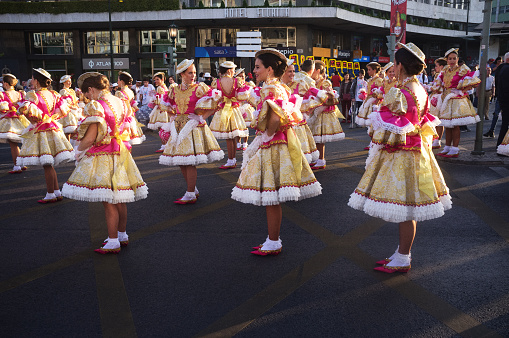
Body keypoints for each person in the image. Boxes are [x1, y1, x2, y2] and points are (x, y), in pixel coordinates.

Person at [348, 42, 451, 273]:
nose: (393, 67)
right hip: (416, 152)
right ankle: (401, 253)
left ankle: (404, 257)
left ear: (401, 65)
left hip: (404, 153)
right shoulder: (419, 88)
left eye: (395, 62)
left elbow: (389, 127)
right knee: (407, 208)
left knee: (406, 208)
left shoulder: (401, 91)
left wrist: (377, 134)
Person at [231, 48, 322, 256]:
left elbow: (274, 117)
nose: (254, 71)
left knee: (271, 196)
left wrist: (267, 134)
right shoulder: (279, 87)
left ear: (269, 69)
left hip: (273, 144)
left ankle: (274, 241)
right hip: (279, 143)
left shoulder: (271, 89)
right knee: (272, 196)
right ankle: (272, 239)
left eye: (257, 67)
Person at [62, 72, 148, 254]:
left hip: (103, 155)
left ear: (92, 90)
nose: (87, 97)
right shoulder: (121, 102)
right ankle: (122, 235)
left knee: (108, 200)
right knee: (120, 198)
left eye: (87, 94)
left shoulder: (97, 106)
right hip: (121, 153)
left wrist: (77, 150)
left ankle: (113, 240)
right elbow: (129, 128)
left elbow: (90, 137)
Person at [159, 59, 224, 204]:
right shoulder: (173, 89)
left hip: (193, 127)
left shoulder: (200, 88)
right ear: (182, 74)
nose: (193, 76)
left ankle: (190, 193)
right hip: (178, 128)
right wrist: (173, 116)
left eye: (194, 73)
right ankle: (192, 189)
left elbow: (217, 102)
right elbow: (165, 106)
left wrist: (200, 117)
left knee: (189, 162)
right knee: (181, 161)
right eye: (190, 73)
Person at [17, 68, 74, 203]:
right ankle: (56, 191)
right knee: (50, 163)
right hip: (54, 129)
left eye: (32, 78)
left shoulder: (33, 95)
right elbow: (63, 111)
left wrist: (37, 121)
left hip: (42, 131)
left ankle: (50, 194)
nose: (31, 81)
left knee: (47, 164)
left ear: (36, 81)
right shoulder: (54, 94)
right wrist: (51, 117)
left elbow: (28, 113)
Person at [435, 48, 480, 158]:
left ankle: (455, 149)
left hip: (457, 100)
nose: (452, 60)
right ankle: (447, 148)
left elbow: (473, 81)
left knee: (455, 126)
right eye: (450, 59)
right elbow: (440, 84)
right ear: (447, 60)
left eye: (454, 58)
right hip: (446, 99)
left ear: (457, 59)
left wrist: (461, 91)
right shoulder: (445, 70)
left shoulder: (462, 69)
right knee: (448, 125)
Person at [209, 61, 249, 169]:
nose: (234, 72)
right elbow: (242, 96)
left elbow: (213, 97)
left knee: (228, 137)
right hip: (234, 109)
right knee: (232, 136)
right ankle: (232, 160)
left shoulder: (216, 82)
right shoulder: (237, 81)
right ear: (229, 70)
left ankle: (231, 160)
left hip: (223, 109)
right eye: (233, 70)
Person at [281, 59, 319, 164]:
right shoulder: (279, 86)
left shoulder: (296, 82)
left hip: (296, 119)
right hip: (285, 121)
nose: (293, 73)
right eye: (290, 71)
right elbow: (313, 100)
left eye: (293, 71)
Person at [309, 60, 345, 170]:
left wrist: (319, 104)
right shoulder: (314, 82)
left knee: (320, 137)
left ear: (317, 70)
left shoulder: (325, 83)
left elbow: (331, 98)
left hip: (323, 112)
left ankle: (321, 159)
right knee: (315, 137)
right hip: (317, 112)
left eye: (313, 70)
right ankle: (318, 159)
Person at [0, 73, 30, 173]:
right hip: (21, 120)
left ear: (6, 83)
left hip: (10, 122)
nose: (3, 84)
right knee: (19, 144)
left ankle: (17, 166)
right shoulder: (20, 94)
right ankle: (21, 164)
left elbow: (2, 109)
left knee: (13, 145)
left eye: (3, 82)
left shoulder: (2, 95)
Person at [116, 71, 145, 145]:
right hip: (131, 116)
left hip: (123, 117)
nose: (117, 82)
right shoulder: (130, 91)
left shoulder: (119, 93)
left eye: (118, 80)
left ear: (122, 81)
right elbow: (134, 106)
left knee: (122, 141)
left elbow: (118, 107)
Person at [356, 62, 383, 127]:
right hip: (368, 102)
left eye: (369, 69)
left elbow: (381, 92)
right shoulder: (370, 80)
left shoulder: (379, 80)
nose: (368, 71)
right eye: (368, 69)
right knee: (369, 126)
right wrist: (364, 93)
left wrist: (376, 103)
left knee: (375, 124)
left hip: (375, 104)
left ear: (374, 70)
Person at [147, 72, 169, 152]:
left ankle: (164, 145)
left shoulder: (160, 88)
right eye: (155, 80)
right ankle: (165, 145)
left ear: (162, 79)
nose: (155, 81)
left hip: (161, 111)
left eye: (157, 79)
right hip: (165, 110)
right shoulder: (165, 87)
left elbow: (159, 101)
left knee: (161, 128)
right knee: (165, 128)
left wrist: (153, 98)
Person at [429, 57, 448, 149]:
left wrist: (428, 87)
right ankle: (435, 139)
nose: (435, 68)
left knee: (439, 120)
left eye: (436, 66)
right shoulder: (439, 74)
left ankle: (437, 140)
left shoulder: (443, 74)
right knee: (435, 119)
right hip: (436, 98)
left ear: (441, 66)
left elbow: (437, 87)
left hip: (439, 98)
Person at [234, 68, 253, 151]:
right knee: (237, 126)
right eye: (240, 76)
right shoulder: (234, 86)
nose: (241, 78)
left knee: (245, 126)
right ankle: (238, 143)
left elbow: (253, 97)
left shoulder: (249, 85)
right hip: (237, 107)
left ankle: (245, 143)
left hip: (246, 106)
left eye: (243, 76)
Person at [58, 75, 81, 140]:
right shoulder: (63, 91)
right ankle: (68, 144)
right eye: (68, 82)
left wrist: (77, 106)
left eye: (70, 82)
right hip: (68, 111)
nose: (70, 83)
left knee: (75, 129)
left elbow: (75, 100)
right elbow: (64, 102)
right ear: (64, 82)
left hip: (75, 110)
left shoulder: (72, 91)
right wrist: (71, 107)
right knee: (68, 130)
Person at [495, 52, 509, 149]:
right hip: (506, 100)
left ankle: (501, 144)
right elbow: (506, 87)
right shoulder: (506, 69)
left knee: (505, 123)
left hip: (503, 100)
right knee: (505, 124)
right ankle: (502, 145)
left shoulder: (502, 68)